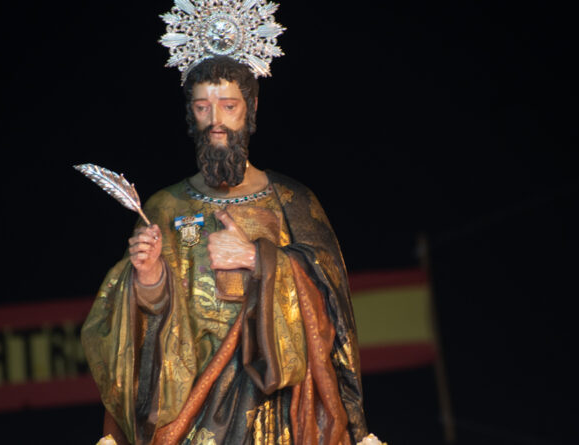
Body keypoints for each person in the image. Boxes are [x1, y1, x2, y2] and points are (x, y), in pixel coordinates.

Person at [82, 3, 368, 443]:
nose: (216, 122)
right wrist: (150, 280)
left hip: (276, 413)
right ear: (190, 114)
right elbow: (131, 332)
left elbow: (330, 298)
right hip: (192, 409)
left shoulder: (291, 199)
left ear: (250, 108)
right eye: (203, 108)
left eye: (228, 106)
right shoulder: (165, 207)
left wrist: (258, 259)